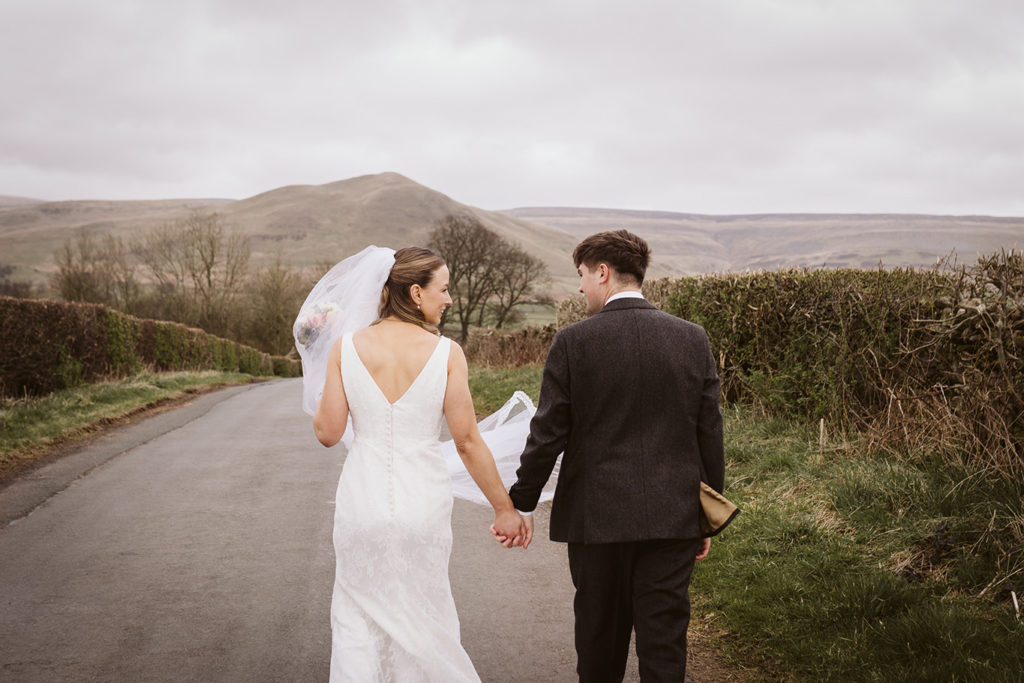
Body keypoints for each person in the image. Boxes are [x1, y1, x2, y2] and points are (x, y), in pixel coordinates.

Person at [504, 230, 725, 682]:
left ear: (602, 272)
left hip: (596, 521)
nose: (581, 286)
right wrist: (707, 514)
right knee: (664, 643)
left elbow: (547, 435)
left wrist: (521, 501)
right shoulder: (692, 338)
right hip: (673, 517)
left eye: (582, 275)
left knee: (600, 642)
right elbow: (709, 433)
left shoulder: (573, 342)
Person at [305, 246, 527, 682]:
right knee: (425, 612)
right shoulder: (447, 353)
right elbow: (466, 441)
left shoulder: (345, 348)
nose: (448, 299)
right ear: (415, 293)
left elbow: (328, 432)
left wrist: (321, 371)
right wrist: (505, 508)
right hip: (422, 502)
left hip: (362, 502)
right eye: (443, 290)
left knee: (357, 619)